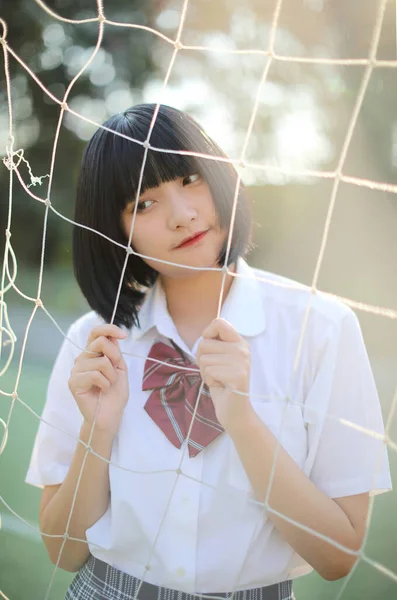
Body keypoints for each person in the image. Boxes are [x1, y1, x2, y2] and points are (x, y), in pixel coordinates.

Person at [26, 104, 392, 600]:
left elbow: (339, 555)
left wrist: (241, 417)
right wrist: (99, 428)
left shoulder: (322, 329)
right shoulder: (94, 344)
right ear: (117, 231)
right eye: (144, 204)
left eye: (189, 179)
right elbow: (62, 551)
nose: (183, 216)